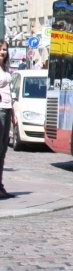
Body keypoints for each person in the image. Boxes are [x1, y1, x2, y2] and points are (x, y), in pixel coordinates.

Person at [0, 41, 13, 198]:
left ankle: (0, 184)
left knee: (3, 150)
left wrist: (13, 111)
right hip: (0, 110)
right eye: (0, 49)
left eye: (5, 50)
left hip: (7, 109)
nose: (2, 52)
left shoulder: (5, 67)